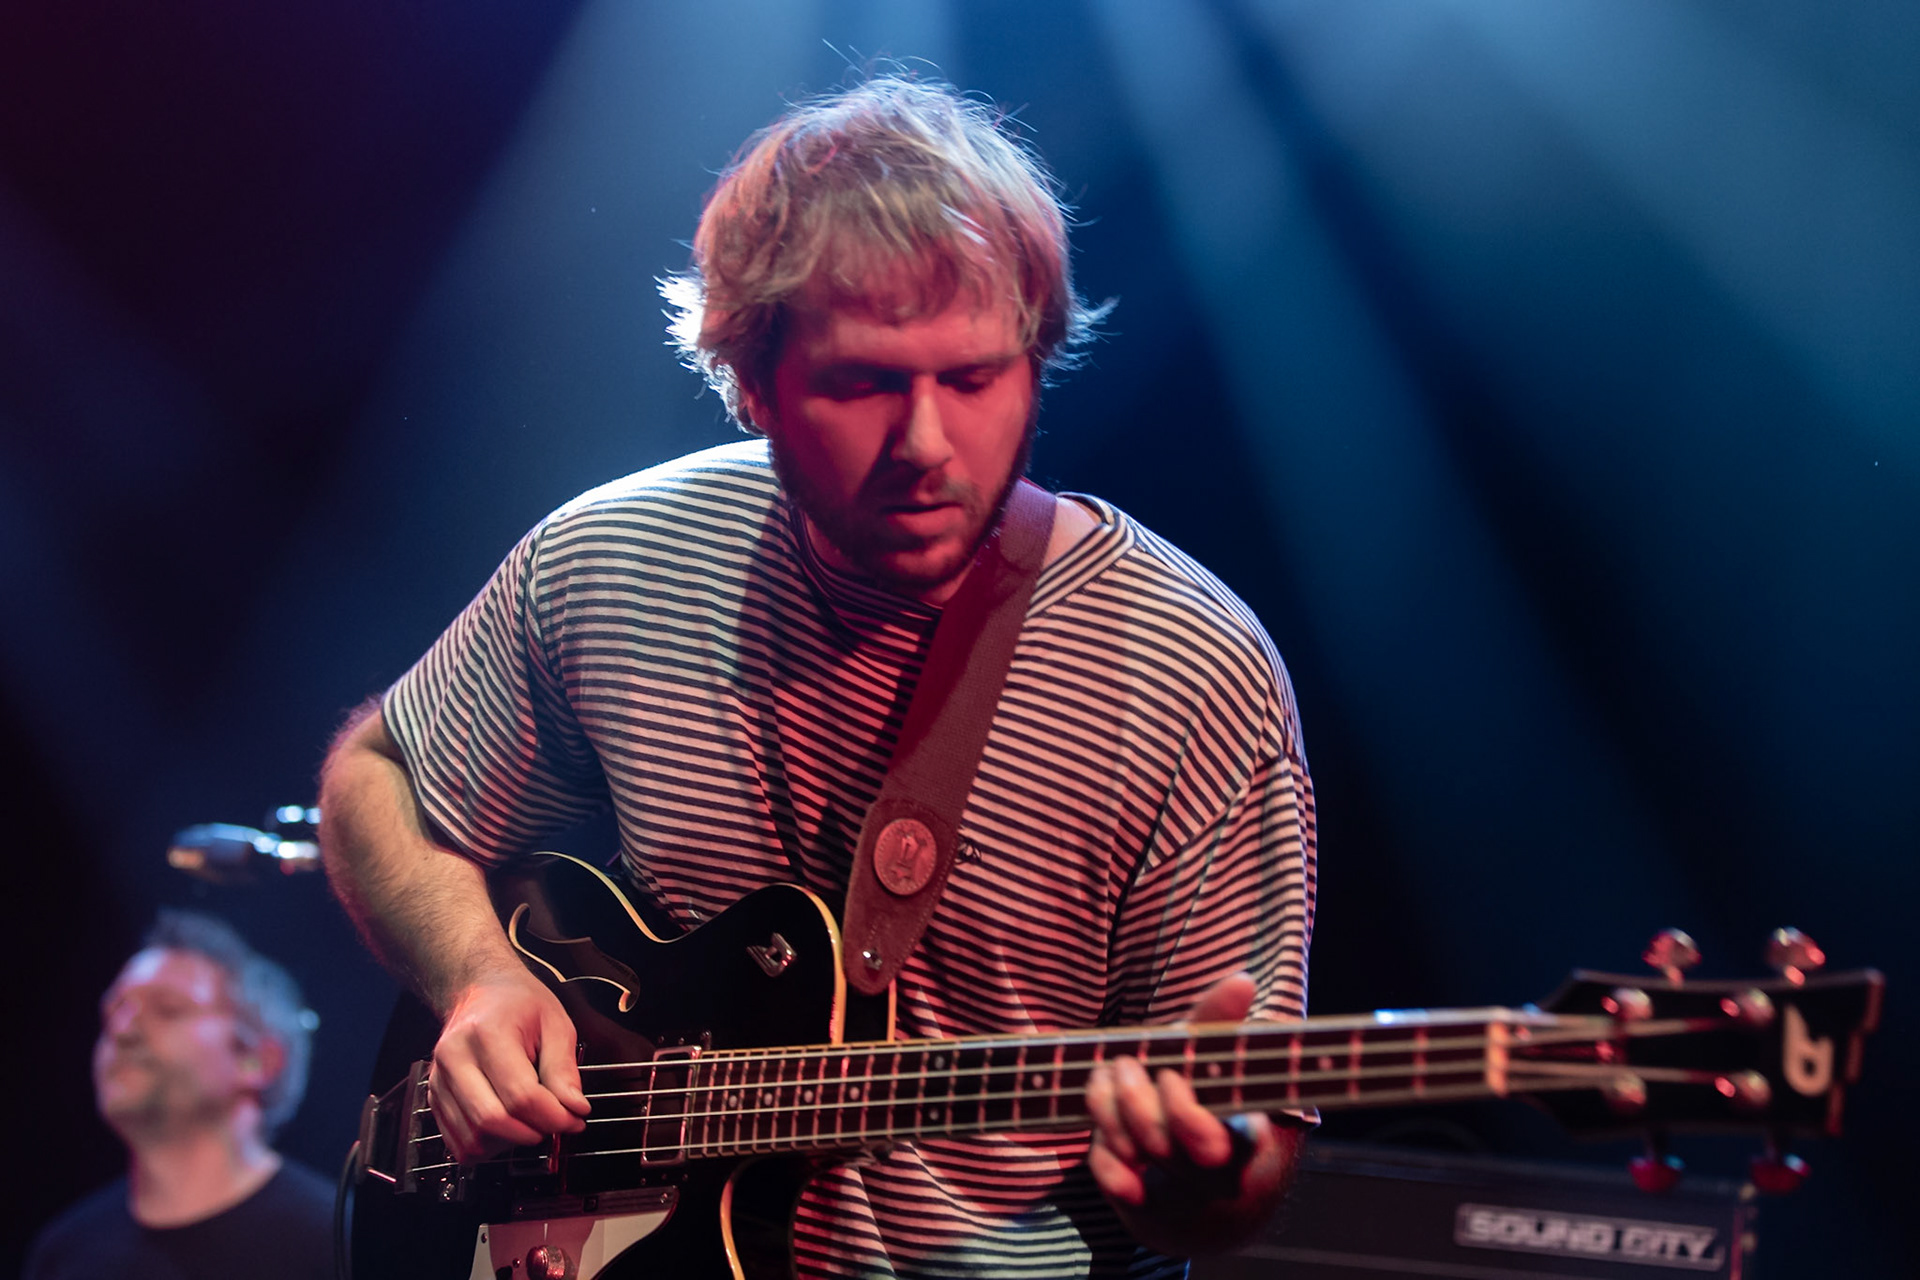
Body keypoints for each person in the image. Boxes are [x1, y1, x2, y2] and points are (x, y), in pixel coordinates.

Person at [320, 76, 1317, 1277]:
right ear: (752, 382)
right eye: (864, 385)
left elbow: (1238, 1174)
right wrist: (477, 978)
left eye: (978, 377)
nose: (928, 445)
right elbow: (373, 778)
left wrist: (1204, 1170)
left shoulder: (1186, 666)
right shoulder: (610, 561)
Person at [24, 910, 334, 1280]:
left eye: (167, 1010)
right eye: (113, 1013)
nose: (123, 1033)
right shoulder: (65, 1253)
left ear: (256, 1061)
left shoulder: (333, 1240)